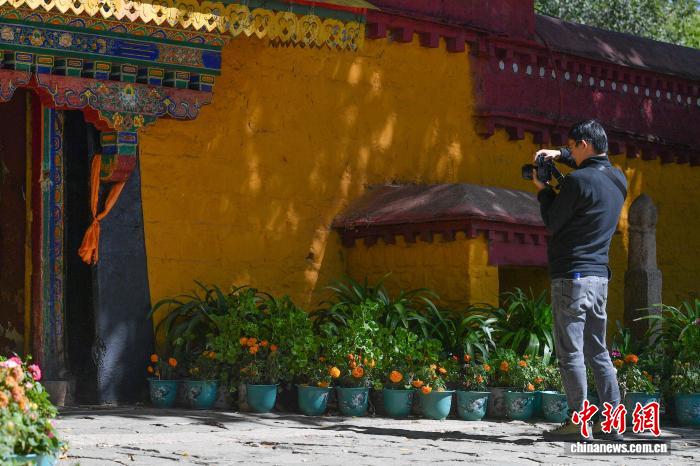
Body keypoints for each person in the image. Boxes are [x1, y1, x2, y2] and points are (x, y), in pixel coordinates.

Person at [531, 120, 627, 442]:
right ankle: (612, 421)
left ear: (584, 144)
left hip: (571, 276)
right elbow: (593, 167)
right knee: (598, 352)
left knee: (570, 352)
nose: (570, 150)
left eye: (572, 146)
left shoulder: (576, 182)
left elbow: (552, 221)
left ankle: (578, 421)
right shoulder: (618, 179)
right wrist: (559, 154)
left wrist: (544, 190)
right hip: (599, 278)